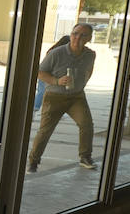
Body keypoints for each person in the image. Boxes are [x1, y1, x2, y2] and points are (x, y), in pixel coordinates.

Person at [27, 23, 96, 172]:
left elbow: (89, 70)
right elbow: (39, 72)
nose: (77, 37)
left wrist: (81, 84)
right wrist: (57, 81)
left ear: (89, 38)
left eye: (82, 35)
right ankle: (33, 161)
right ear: (70, 35)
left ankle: (85, 157)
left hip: (76, 97)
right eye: (75, 33)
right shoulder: (57, 53)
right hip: (54, 97)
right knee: (45, 131)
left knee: (87, 125)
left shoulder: (91, 55)